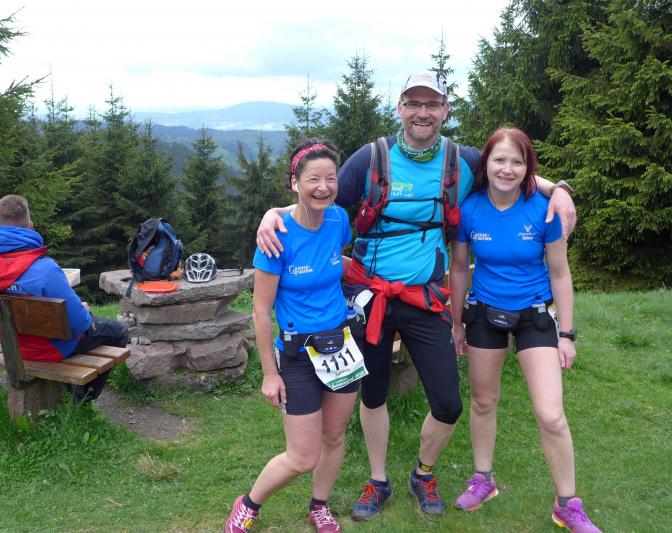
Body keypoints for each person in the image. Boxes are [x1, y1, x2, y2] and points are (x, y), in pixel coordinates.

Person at [256, 72, 577, 519]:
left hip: (425, 298)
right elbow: (317, 195)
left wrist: (559, 190)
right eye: (413, 103)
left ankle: (423, 472)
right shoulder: (372, 158)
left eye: (432, 104)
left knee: (448, 403)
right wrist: (273, 213)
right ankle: (377, 480)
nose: (422, 112)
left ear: (445, 109)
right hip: (370, 299)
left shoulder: (461, 160)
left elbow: (511, 171)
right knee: (373, 395)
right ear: (400, 108)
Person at [449, 128, 600, 532]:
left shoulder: (544, 209)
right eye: (499, 160)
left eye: (517, 161)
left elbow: (560, 273)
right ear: (486, 164)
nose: (507, 169)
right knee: (484, 401)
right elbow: (459, 268)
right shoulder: (469, 208)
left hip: (535, 316)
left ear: (528, 168)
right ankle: (483, 480)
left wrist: (566, 334)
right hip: (484, 314)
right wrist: (457, 323)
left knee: (551, 414)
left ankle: (567, 504)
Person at [225, 140, 362, 533]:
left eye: (330, 178)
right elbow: (260, 311)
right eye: (313, 179)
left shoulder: (338, 220)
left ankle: (319, 506)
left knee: (334, 436)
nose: (323, 187)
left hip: (341, 345)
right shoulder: (276, 237)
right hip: (297, 353)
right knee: (302, 456)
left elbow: (333, 262)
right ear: (295, 182)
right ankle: (248, 504)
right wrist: (269, 375)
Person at [0, 195, 127, 402]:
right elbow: (81, 324)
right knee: (118, 331)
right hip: (50, 350)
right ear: (30, 226)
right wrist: (84, 309)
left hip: (11, 347)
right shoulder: (45, 269)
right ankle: (81, 400)